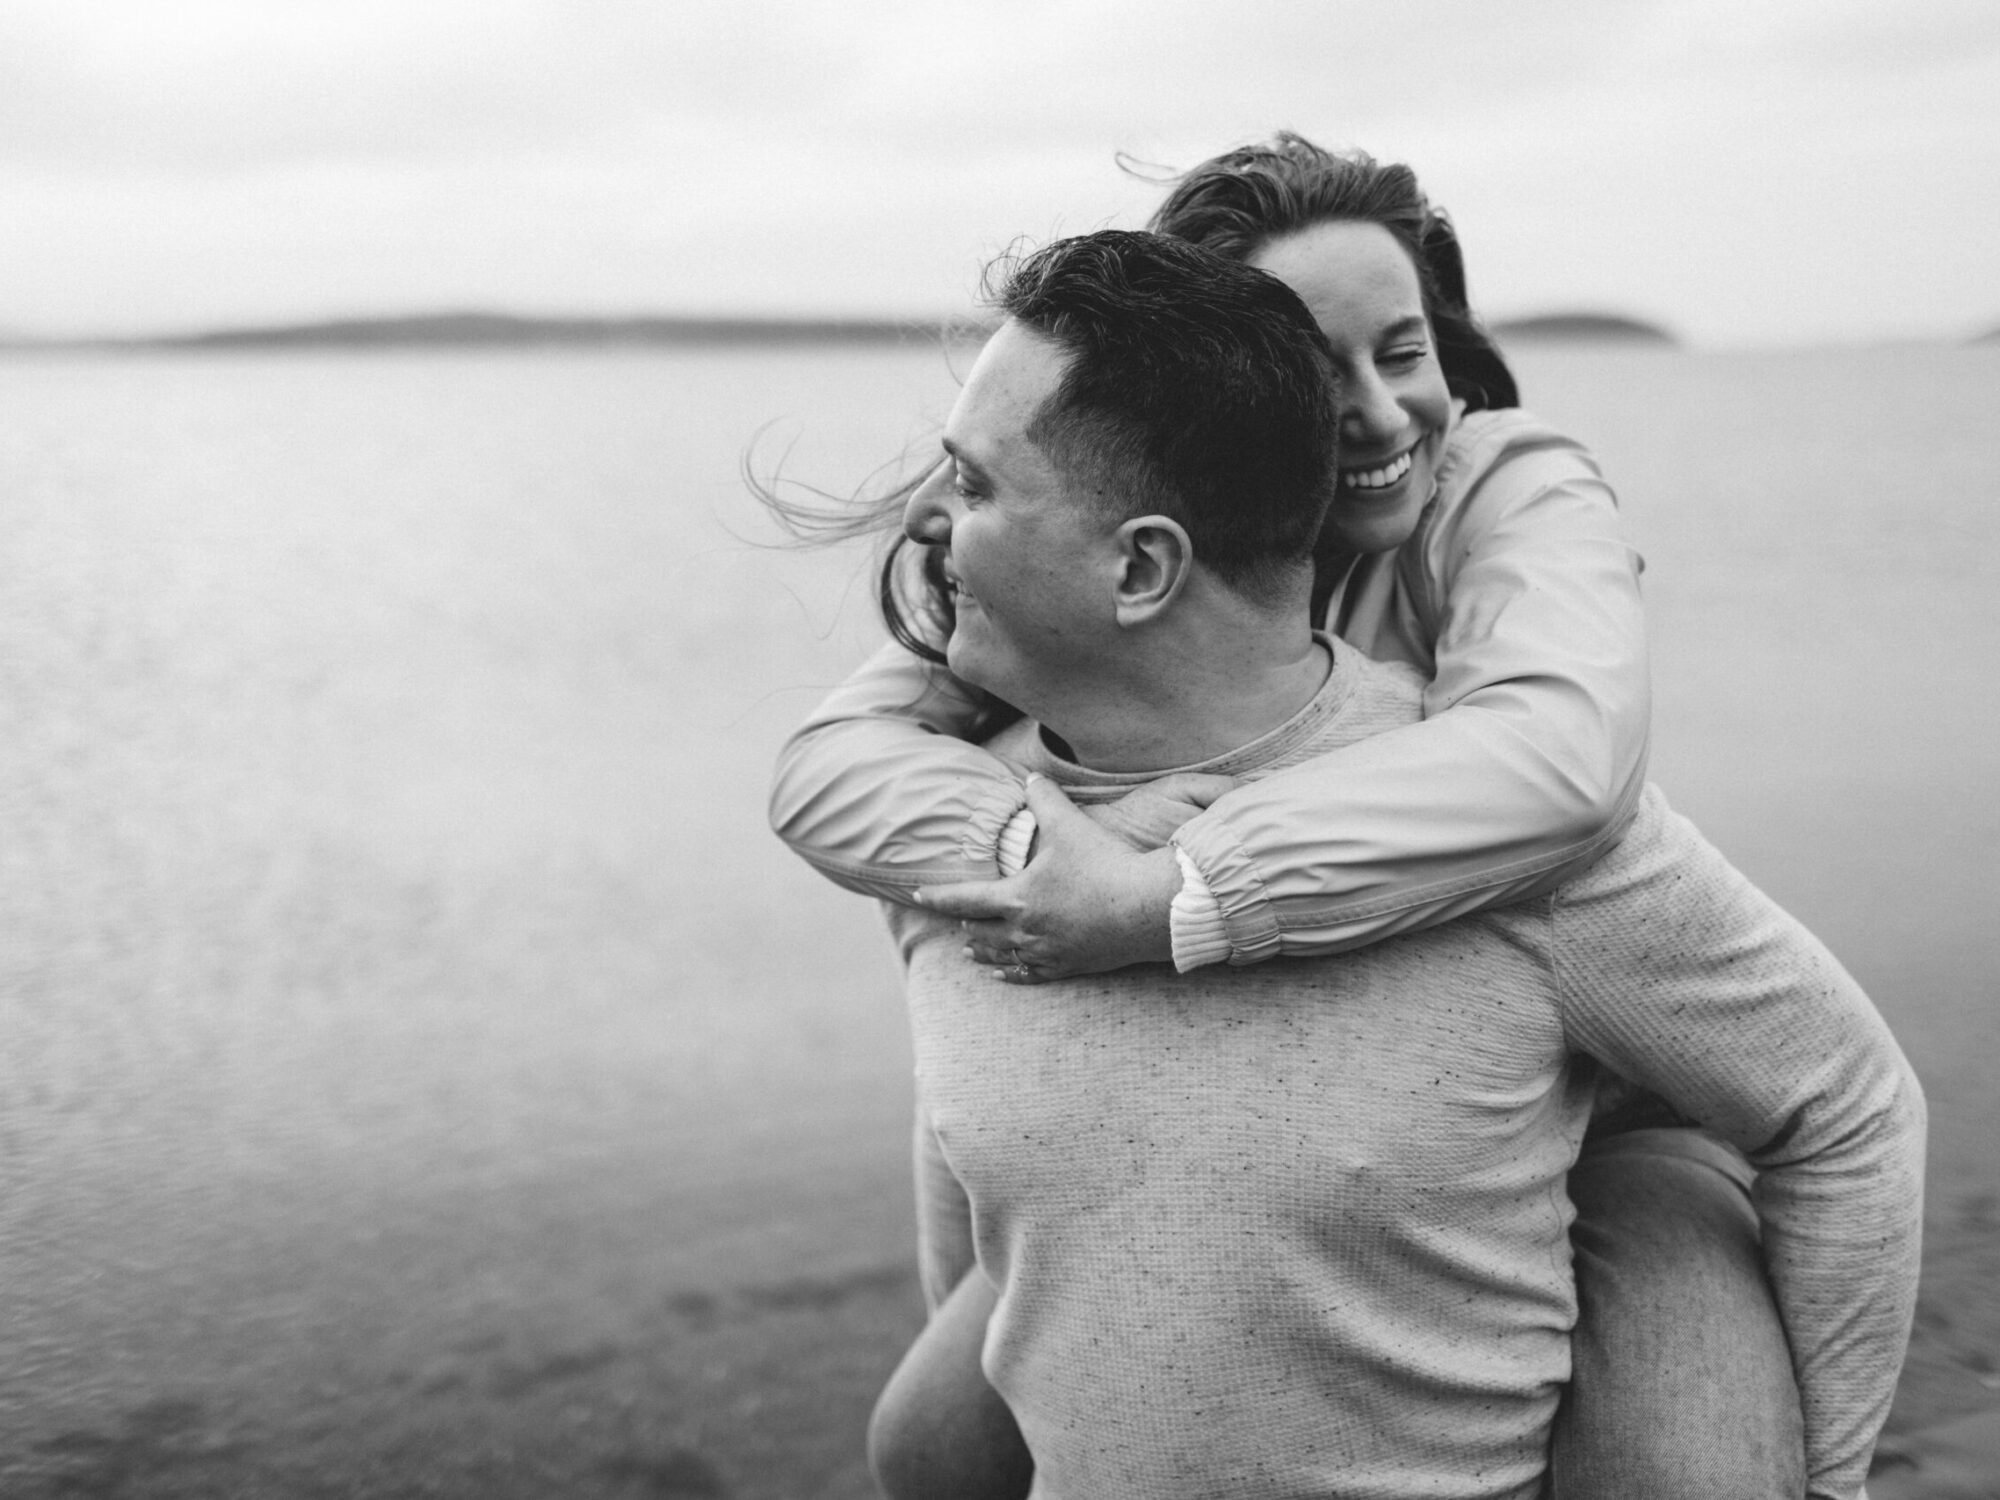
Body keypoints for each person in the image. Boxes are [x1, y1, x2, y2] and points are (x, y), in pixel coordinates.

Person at [767, 137, 1813, 1495]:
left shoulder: (1499, 494)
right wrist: (1031, 850)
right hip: (1337, 1093)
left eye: (1406, 349)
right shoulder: (1103, 563)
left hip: (1607, 1113)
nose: (1373, 414)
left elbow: (1564, 764)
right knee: (928, 1440)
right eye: (1318, 371)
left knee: (1691, 1470)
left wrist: (1168, 893)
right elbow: (852, 760)